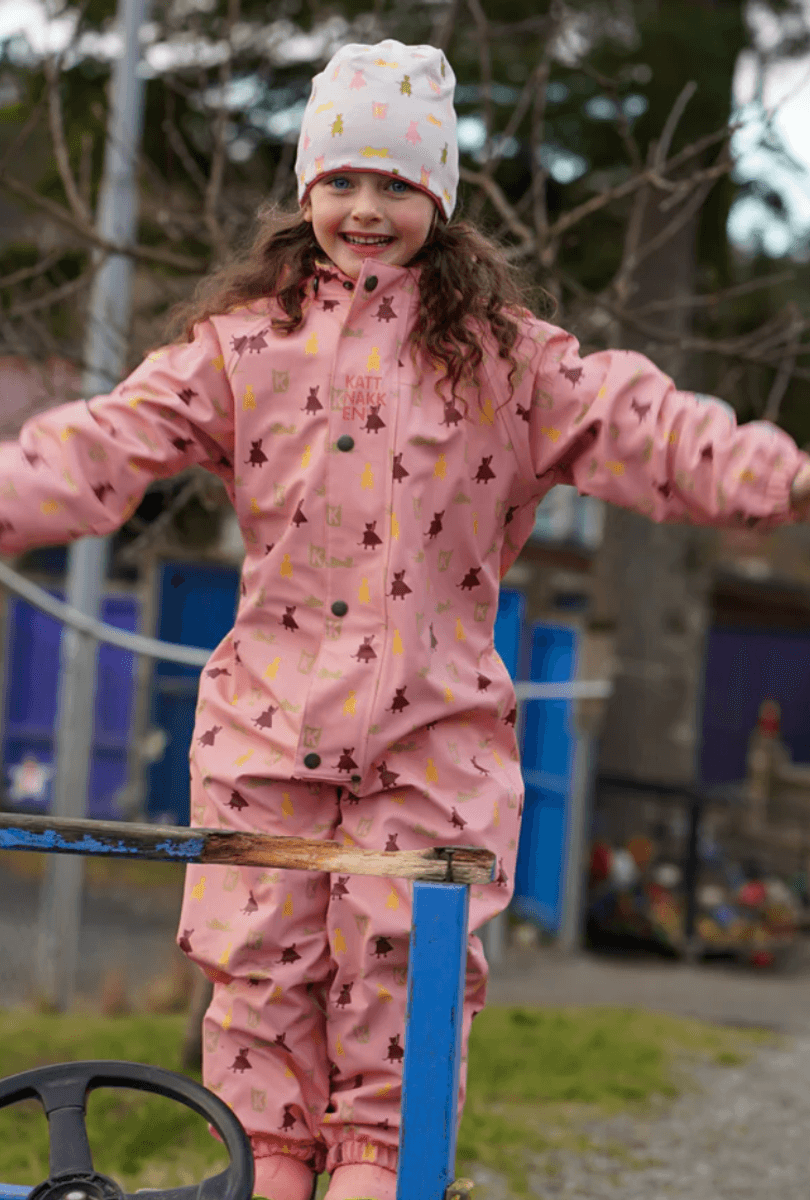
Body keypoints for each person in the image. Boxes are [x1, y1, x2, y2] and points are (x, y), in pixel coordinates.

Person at [2, 36, 810, 1200]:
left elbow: (640, 422)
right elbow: (103, 444)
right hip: (269, 728)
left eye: (395, 183)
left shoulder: (503, 362)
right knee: (261, 969)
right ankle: (265, 1165)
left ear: (440, 194)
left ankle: (378, 1167)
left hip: (431, 734)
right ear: (305, 189)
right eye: (342, 180)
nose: (366, 210)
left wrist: (768, 477)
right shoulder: (245, 348)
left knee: (398, 976)